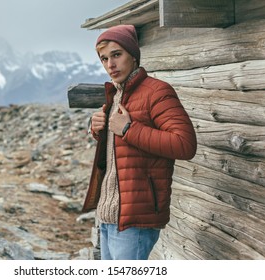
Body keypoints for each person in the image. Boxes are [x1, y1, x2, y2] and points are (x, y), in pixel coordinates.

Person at [82, 25, 197, 260]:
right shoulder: (116, 94)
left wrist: (127, 129)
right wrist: (98, 130)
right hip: (108, 214)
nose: (110, 65)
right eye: (104, 59)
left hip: (135, 219)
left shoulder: (157, 92)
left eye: (116, 55)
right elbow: (120, 153)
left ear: (133, 55)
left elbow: (185, 144)